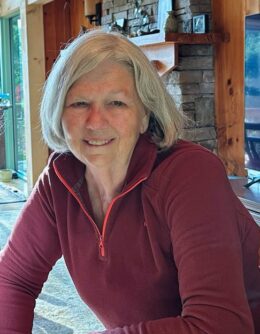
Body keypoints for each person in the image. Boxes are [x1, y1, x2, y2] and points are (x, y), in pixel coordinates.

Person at [0, 30, 259, 334]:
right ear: (59, 113)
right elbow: (14, 280)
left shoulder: (191, 174)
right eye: (80, 103)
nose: (96, 122)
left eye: (117, 103)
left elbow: (220, 326)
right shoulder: (59, 180)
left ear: (145, 116)